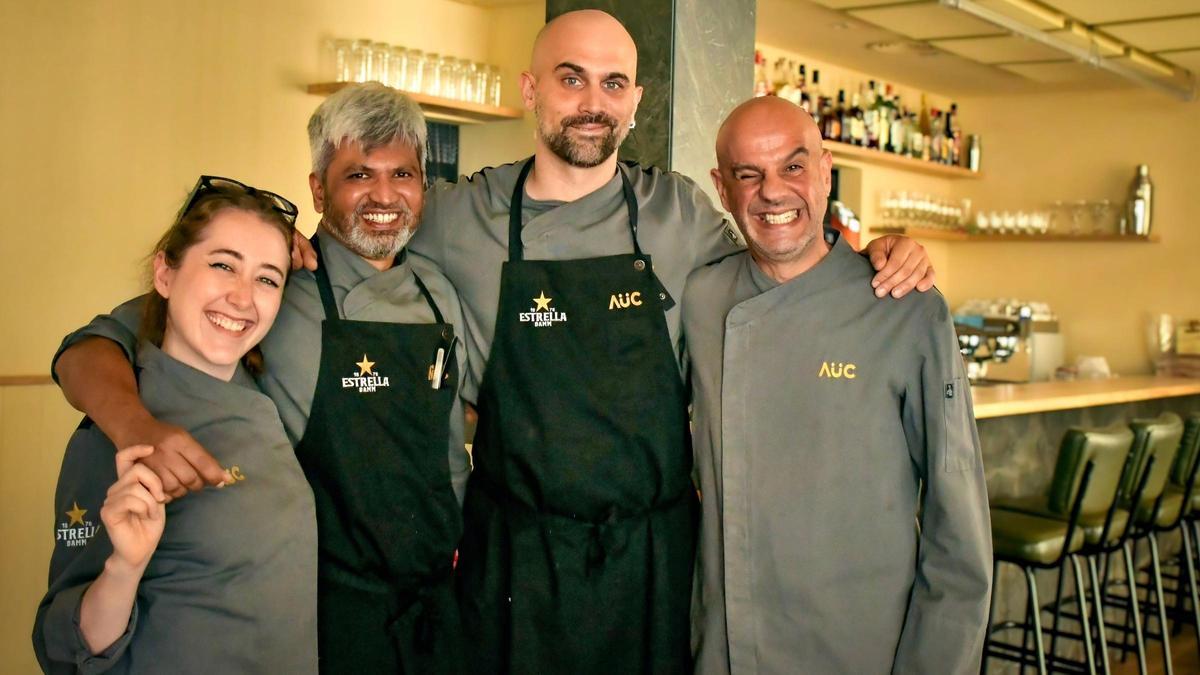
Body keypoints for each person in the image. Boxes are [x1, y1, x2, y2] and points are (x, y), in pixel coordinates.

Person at [328, 10, 931, 674]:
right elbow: (360, 230)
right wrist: (292, 248)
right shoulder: (458, 215)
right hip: (515, 561)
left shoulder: (683, 215)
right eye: (571, 79)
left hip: (654, 561)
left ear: (636, 100)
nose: (593, 103)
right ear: (531, 90)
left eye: (614, 83)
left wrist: (870, 253)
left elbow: (784, 268)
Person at [50, 85, 471, 673]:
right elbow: (90, 347)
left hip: (433, 604)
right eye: (357, 175)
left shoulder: (438, 291)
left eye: (402, 173)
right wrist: (136, 427)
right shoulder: (274, 293)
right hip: (325, 608)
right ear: (319, 189)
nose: (384, 194)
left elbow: (451, 443)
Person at [684, 96, 992, 674]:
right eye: (747, 175)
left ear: (827, 171)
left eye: (794, 167)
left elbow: (959, 530)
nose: (772, 192)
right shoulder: (699, 300)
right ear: (721, 190)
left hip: (859, 646)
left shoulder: (905, 306)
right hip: (727, 646)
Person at [34, 176, 318, 673]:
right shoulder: (121, 428)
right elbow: (61, 648)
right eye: (223, 265)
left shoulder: (263, 393)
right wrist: (125, 567)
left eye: (267, 278)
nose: (242, 297)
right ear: (164, 274)